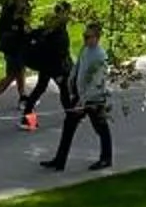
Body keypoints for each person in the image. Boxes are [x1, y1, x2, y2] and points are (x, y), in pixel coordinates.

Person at [43, 12, 114, 171]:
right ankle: (59, 161)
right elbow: (78, 66)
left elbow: (96, 82)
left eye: (88, 37)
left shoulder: (100, 57)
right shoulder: (85, 50)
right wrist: (71, 80)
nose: (85, 39)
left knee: (100, 127)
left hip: (94, 99)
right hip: (81, 96)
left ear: (96, 37)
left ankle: (106, 158)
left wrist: (83, 101)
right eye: (84, 36)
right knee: (69, 125)